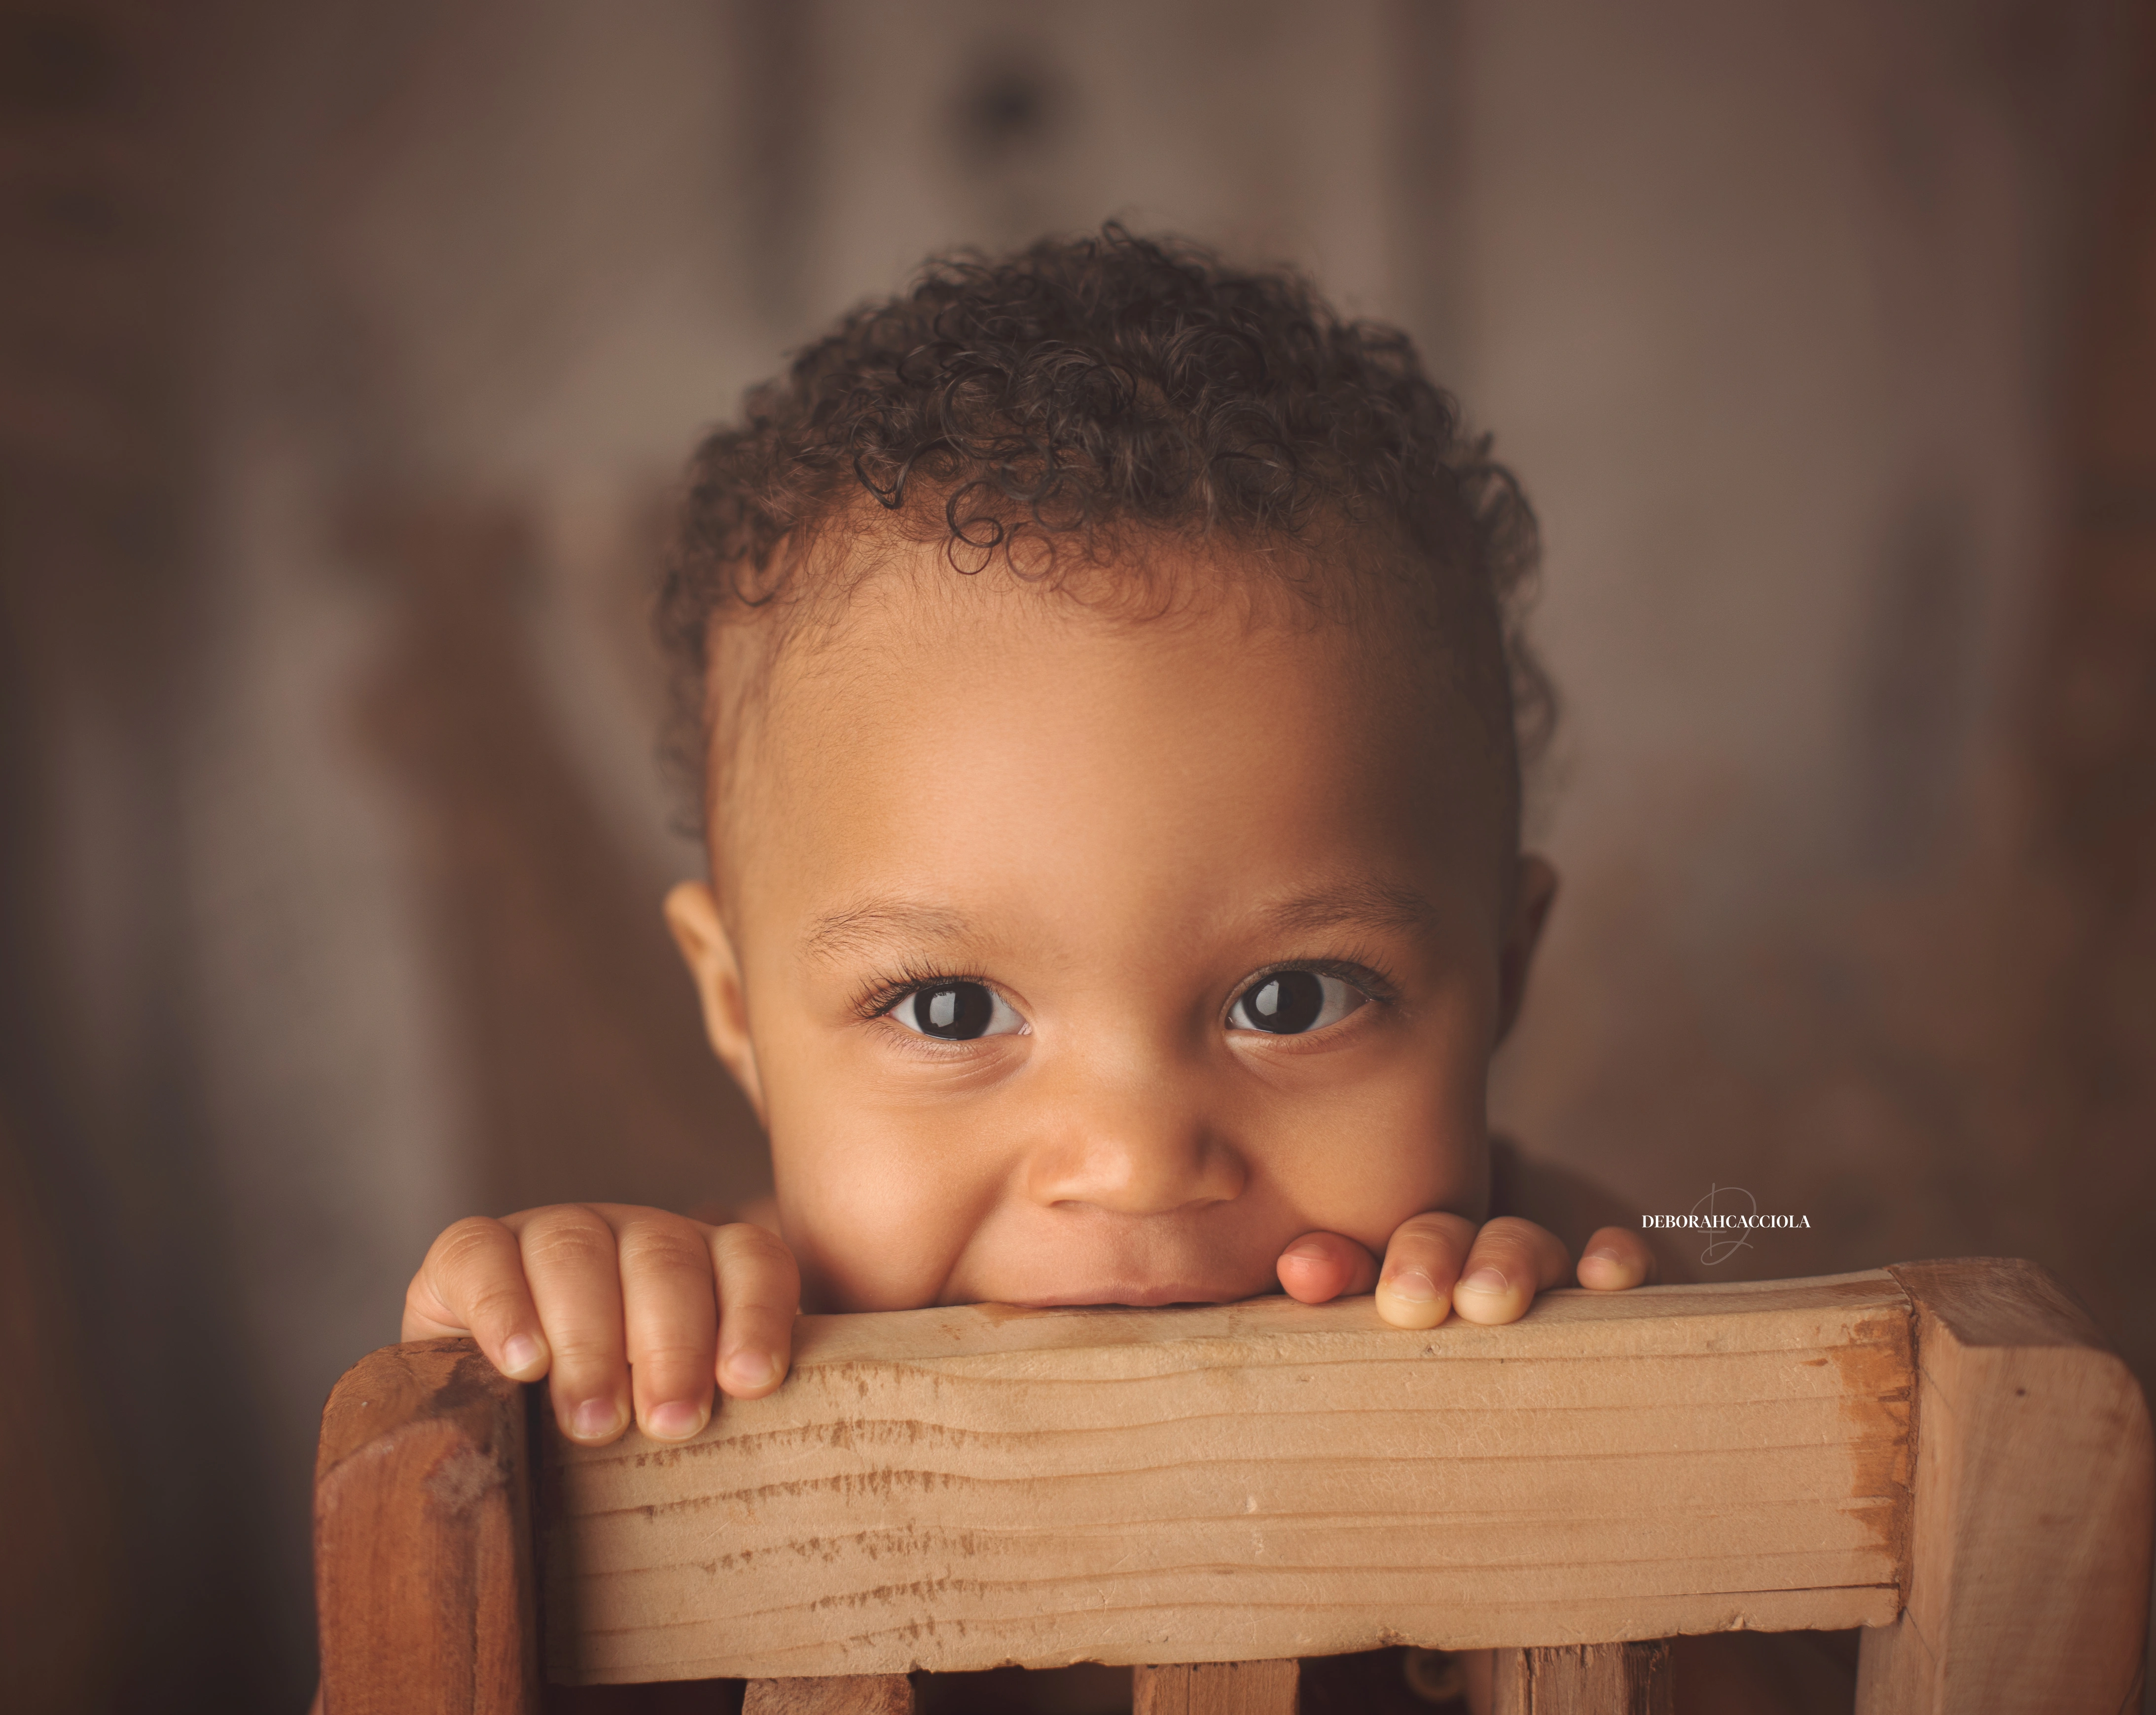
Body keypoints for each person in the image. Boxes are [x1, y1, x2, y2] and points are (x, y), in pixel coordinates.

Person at [400, 226, 1667, 1444]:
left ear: (1503, 969)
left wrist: (1599, 1447)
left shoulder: (1557, 1292)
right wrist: (524, 1412)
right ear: (737, 1007)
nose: (1132, 1164)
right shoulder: (680, 1362)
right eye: (949, 1010)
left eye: (1291, 1000)